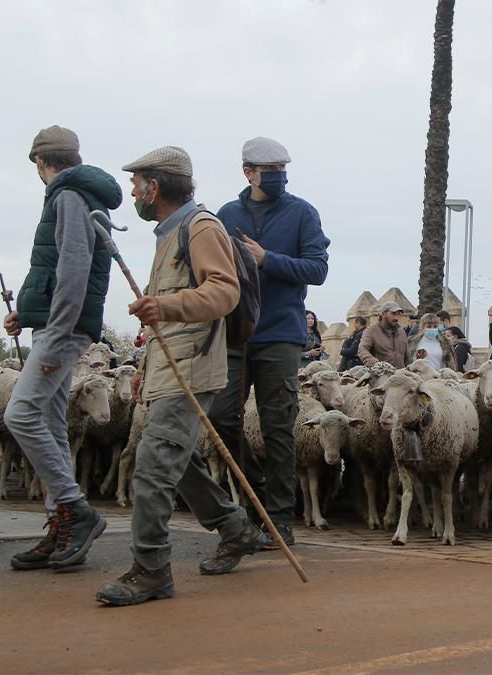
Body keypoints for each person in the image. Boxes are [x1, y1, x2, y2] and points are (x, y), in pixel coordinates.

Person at [95, 146, 262, 606]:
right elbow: (163, 319)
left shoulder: (200, 227)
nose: (133, 192)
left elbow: (224, 292)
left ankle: (151, 570)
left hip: (192, 369)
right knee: (178, 459)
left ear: (155, 186)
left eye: (137, 184)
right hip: (169, 368)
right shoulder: (168, 235)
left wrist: (164, 305)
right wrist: (143, 368)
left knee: (152, 465)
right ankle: (234, 527)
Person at [4, 125, 122, 572]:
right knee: (51, 424)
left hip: (63, 327)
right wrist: (29, 313)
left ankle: (76, 509)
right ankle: (62, 525)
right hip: (56, 322)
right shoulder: (75, 195)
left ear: (40, 161)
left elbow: (74, 265)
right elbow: (54, 266)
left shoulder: (68, 196)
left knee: (20, 414)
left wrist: (57, 326)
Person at [208, 136, 330, 547]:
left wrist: (267, 259)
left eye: (282, 169)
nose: (279, 176)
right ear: (249, 172)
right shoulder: (226, 215)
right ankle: (257, 496)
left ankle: (278, 519)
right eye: (271, 170)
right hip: (234, 334)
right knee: (221, 418)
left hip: (280, 334)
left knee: (278, 427)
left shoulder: (302, 213)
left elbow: (317, 269)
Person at [359, 301, 410, 368]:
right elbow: (362, 350)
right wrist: (376, 364)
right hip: (381, 373)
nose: (396, 318)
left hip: (401, 373)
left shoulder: (401, 332)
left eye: (398, 314)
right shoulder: (371, 331)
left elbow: (407, 357)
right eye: (393, 313)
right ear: (383, 313)